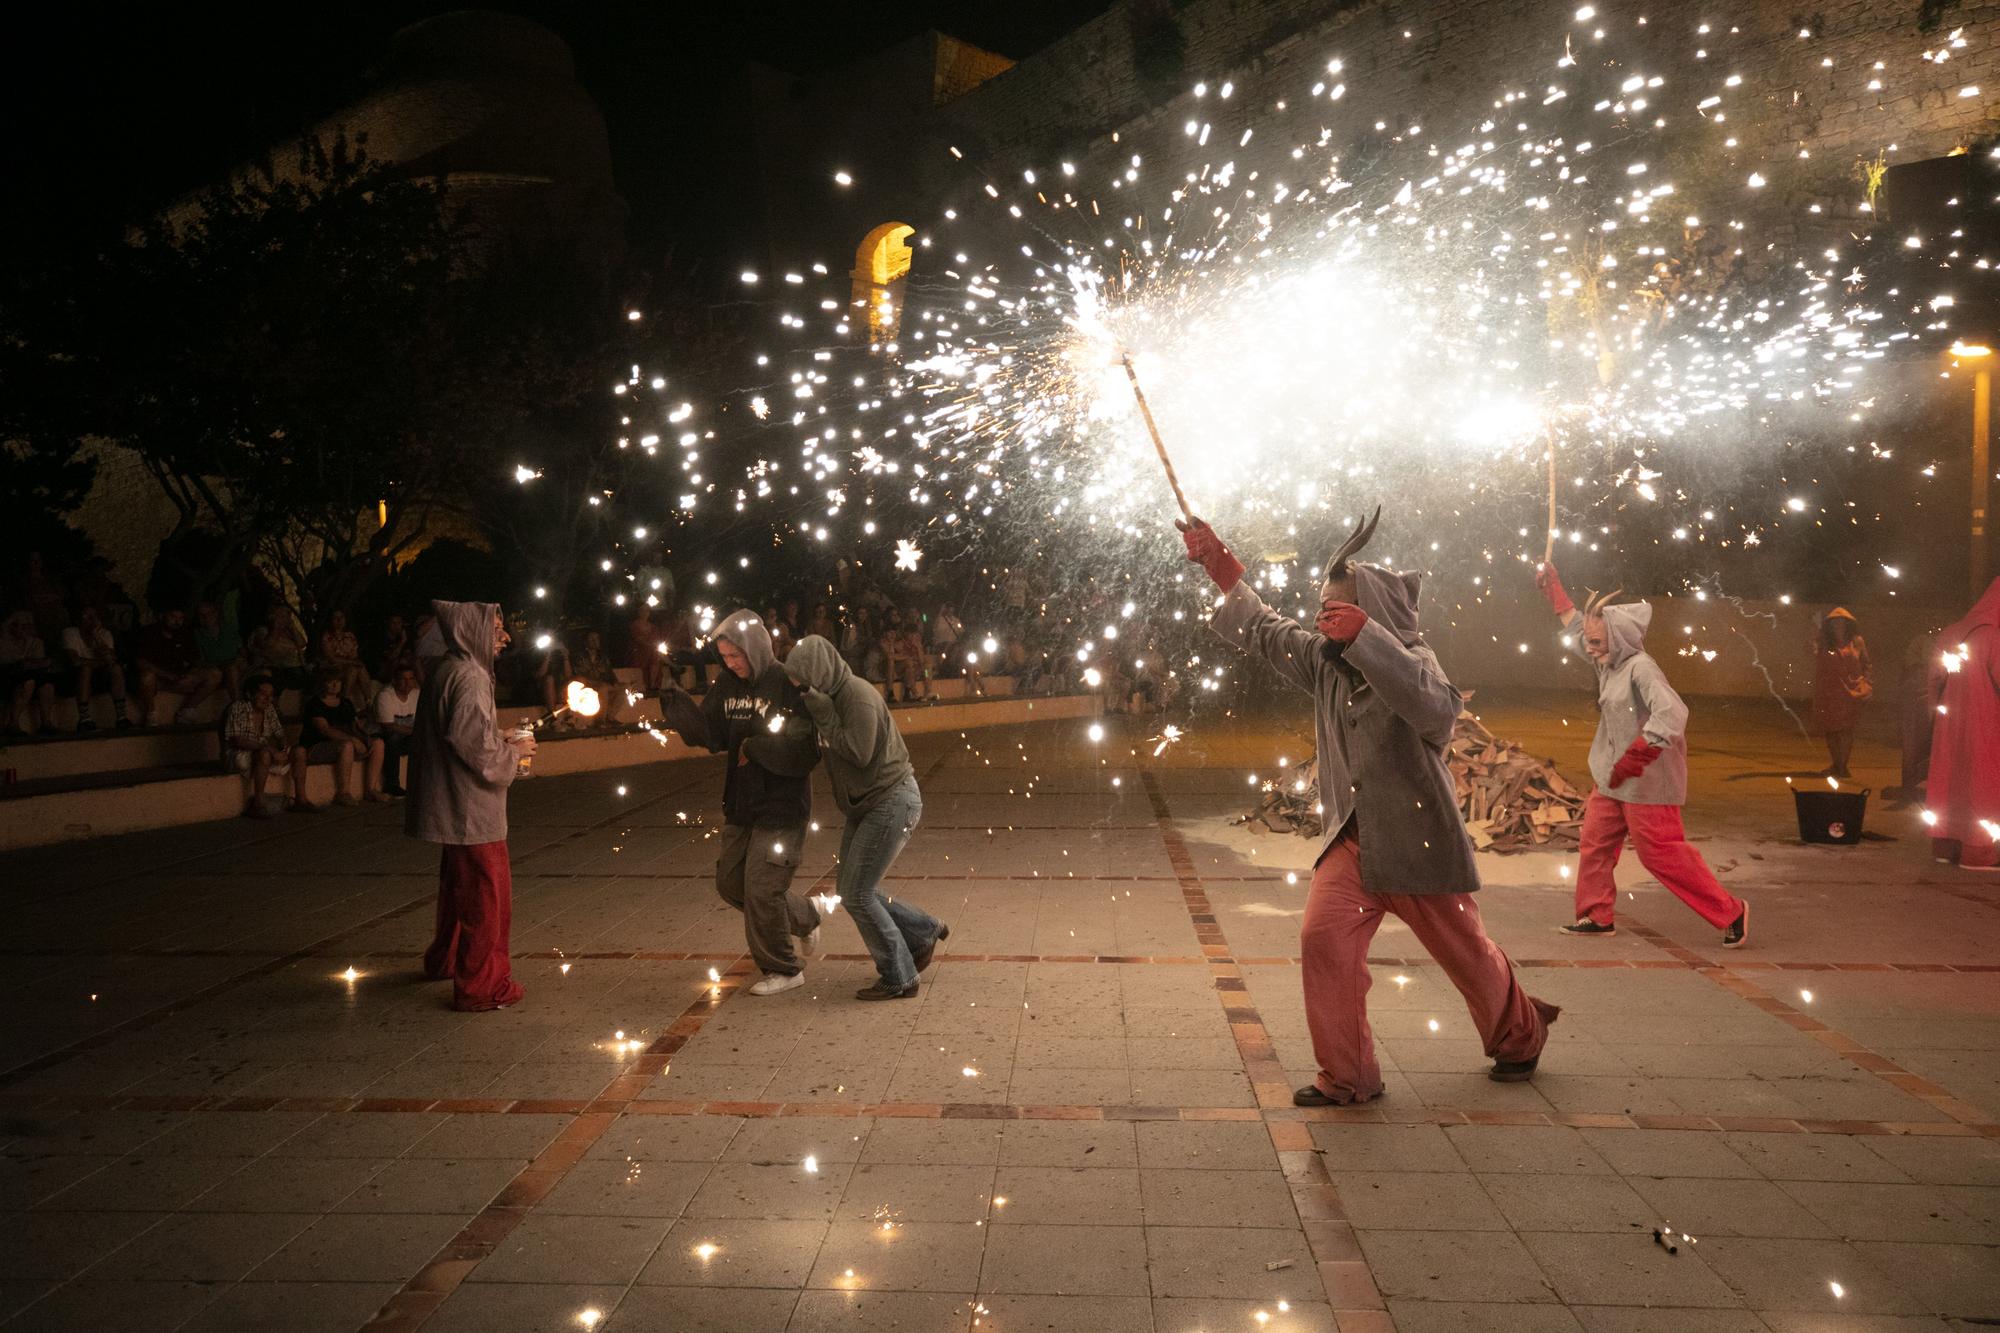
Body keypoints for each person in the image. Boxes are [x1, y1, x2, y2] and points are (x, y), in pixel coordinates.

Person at [1182, 509, 1559, 1104]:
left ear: (1373, 618)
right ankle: (1349, 1076)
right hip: (1352, 845)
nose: (1320, 618)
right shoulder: (1325, 663)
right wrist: (1223, 570)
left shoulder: (1416, 661)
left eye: (1336, 610)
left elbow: (1437, 711)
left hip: (1419, 845)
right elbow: (1264, 628)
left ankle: (1520, 1035)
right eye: (1323, 607)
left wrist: (1366, 640)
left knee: (1469, 958)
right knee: (1322, 942)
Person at [1535, 560, 1749, 947]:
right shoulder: (1608, 661)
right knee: (1595, 842)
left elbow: (1673, 713)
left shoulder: (1641, 669)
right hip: (1612, 777)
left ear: (1618, 640)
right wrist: (1556, 592)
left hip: (1647, 783)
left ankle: (1730, 911)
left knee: (1660, 854)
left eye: (1597, 642)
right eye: (1589, 640)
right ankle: (1596, 915)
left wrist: (1637, 755)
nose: (1589, 647)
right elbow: (1577, 628)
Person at [658, 610, 824, 996]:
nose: (731, 663)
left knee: (763, 888)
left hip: (782, 804)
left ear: (757, 648)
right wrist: (678, 707)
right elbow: (712, 735)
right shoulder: (727, 686)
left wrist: (756, 747)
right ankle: (805, 915)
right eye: (725, 657)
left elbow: (805, 748)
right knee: (731, 883)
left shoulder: (785, 681)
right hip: (741, 801)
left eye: (737, 655)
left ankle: (784, 968)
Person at [785, 636, 948, 999]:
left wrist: (823, 713)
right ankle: (923, 930)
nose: (799, 690)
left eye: (802, 682)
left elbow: (860, 752)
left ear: (819, 674)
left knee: (857, 895)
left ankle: (900, 975)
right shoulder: (826, 697)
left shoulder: (856, 696)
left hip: (892, 800)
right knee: (853, 889)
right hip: (867, 803)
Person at [408, 600, 534, 1011]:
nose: (505, 637)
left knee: (458, 889)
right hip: (469, 810)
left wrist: (501, 736)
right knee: (486, 895)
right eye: (496, 630)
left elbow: (464, 730)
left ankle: (445, 959)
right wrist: (512, 754)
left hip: (452, 803)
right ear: (471, 633)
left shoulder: (447, 668)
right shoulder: (470, 675)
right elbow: (470, 744)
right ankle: (482, 985)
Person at [1925, 576, 2000, 870]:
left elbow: (1933, 680)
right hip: (1985, 725)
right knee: (1982, 784)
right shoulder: (1993, 637)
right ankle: (1978, 852)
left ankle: (1945, 846)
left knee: (1948, 780)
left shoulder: (1950, 632)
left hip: (1949, 726)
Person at [225, 675, 312, 817]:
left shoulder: (269, 709)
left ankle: (301, 800)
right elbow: (238, 740)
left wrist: (284, 747)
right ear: (249, 694)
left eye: (270, 695)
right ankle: (258, 804)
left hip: (263, 753)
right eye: (263, 694)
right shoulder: (238, 707)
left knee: (300, 751)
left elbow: (279, 733)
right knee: (264, 753)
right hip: (239, 755)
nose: (268, 698)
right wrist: (269, 749)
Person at [303, 670, 389, 804]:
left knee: (378, 743)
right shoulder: (315, 704)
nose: (334, 685)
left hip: (346, 743)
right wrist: (352, 740)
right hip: (317, 746)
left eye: (337, 682)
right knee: (346, 746)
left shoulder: (345, 703)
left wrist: (364, 739)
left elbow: (354, 726)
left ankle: (370, 789)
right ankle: (343, 792)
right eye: (330, 682)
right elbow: (325, 730)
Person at [135, 607, 226, 726]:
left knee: (215, 674)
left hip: (179, 679)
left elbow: (195, 660)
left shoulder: (185, 634)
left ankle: (187, 711)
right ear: (163, 616)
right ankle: (151, 714)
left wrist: (189, 674)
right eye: (173, 617)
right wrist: (168, 676)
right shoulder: (149, 633)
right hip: (157, 680)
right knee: (146, 677)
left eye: (180, 618)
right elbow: (140, 662)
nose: (177, 621)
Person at [1811, 608, 1873, 780]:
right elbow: (1815, 656)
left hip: (1852, 692)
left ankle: (1842, 765)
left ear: (1848, 624)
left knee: (1846, 730)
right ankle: (1836, 763)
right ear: (1829, 625)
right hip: (1829, 692)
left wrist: (1867, 684)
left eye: (1842, 621)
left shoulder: (1857, 642)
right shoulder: (1823, 642)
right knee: (1831, 730)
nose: (1839, 625)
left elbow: (1866, 664)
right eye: (1835, 622)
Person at [60, 607, 130, 731]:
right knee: (85, 669)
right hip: (76, 677)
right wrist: (100, 662)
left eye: (93, 616)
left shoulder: (104, 634)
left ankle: (122, 717)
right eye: (86, 617)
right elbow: (76, 661)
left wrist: (97, 637)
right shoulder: (70, 633)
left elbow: (111, 660)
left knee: (116, 669)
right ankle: (84, 718)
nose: (91, 620)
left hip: (101, 675)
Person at [1, 610, 58, 734]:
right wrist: (29, 664)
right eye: (22, 626)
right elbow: (8, 664)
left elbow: (40, 663)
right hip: (7, 676)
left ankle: (46, 722)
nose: (25, 629)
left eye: (28, 626)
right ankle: (13, 723)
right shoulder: (3, 642)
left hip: (30, 674)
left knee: (47, 684)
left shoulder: (35, 642)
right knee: (27, 682)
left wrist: (30, 664)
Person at [374, 662, 420, 797]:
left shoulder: (416, 694)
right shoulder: (385, 696)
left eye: (411, 679)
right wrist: (415, 732)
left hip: (406, 736)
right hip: (382, 736)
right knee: (393, 738)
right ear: (394, 680)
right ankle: (392, 784)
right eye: (403, 679)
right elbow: (387, 727)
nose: (408, 683)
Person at [193, 596, 247, 701]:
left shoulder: (229, 630)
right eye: (202, 615)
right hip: (217, 669)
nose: (206, 617)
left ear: (216, 614)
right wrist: (223, 664)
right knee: (230, 669)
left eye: (209, 613)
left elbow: (242, 650)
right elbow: (199, 661)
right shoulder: (196, 635)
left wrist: (242, 659)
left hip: (236, 665)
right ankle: (238, 707)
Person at [247, 604, 310, 692]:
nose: (286, 619)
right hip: (274, 666)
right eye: (282, 616)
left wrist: (293, 628)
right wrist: (275, 627)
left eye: (287, 616)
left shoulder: (288, 632)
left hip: (293, 667)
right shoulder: (263, 631)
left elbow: (302, 643)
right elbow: (268, 645)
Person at [317, 609, 372, 706]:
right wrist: (351, 662)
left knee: (359, 669)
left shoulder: (350, 636)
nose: (339, 620)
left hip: (346, 667)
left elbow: (354, 656)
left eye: (341, 617)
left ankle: (368, 702)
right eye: (336, 618)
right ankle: (344, 701)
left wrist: (352, 662)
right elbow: (331, 658)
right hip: (330, 668)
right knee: (354, 669)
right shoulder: (326, 636)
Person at [571, 629, 625, 725]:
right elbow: (579, 676)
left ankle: (610, 717)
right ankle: (601, 720)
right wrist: (597, 683)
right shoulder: (579, 657)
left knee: (624, 688)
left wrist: (617, 683)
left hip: (601, 683)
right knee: (603, 688)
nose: (595, 641)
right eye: (592, 639)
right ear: (586, 642)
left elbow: (610, 673)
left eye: (596, 638)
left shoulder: (603, 658)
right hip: (587, 686)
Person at [534, 633, 578, 728]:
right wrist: (547, 655)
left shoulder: (562, 655)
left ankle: (570, 717)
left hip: (560, 688)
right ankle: (553, 718)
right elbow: (539, 675)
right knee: (549, 679)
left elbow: (568, 676)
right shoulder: (538, 653)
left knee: (573, 682)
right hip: (544, 688)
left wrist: (565, 657)